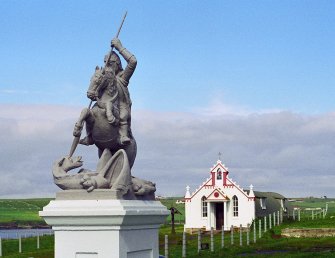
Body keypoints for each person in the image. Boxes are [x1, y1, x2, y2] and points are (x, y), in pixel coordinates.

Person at [105, 37, 137, 145]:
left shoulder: (122, 78)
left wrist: (120, 47)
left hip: (120, 107)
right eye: (106, 63)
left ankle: (123, 135)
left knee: (124, 114)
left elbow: (133, 61)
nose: (107, 66)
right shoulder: (104, 78)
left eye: (110, 63)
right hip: (105, 106)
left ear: (117, 64)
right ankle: (90, 135)